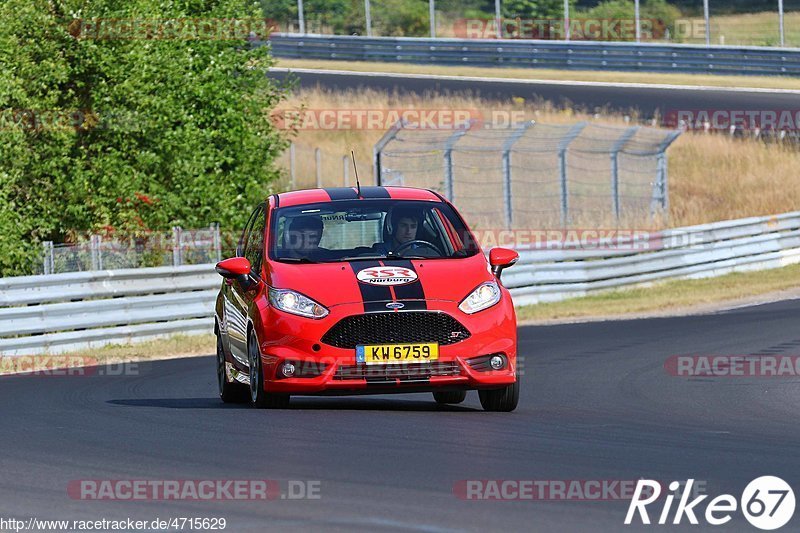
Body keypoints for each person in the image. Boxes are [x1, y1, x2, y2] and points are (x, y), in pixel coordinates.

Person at [373, 207, 439, 256]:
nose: (408, 231)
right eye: (403, 226)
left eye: (413, 227)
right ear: (393, 227)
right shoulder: (379, 252)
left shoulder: (424, 253)